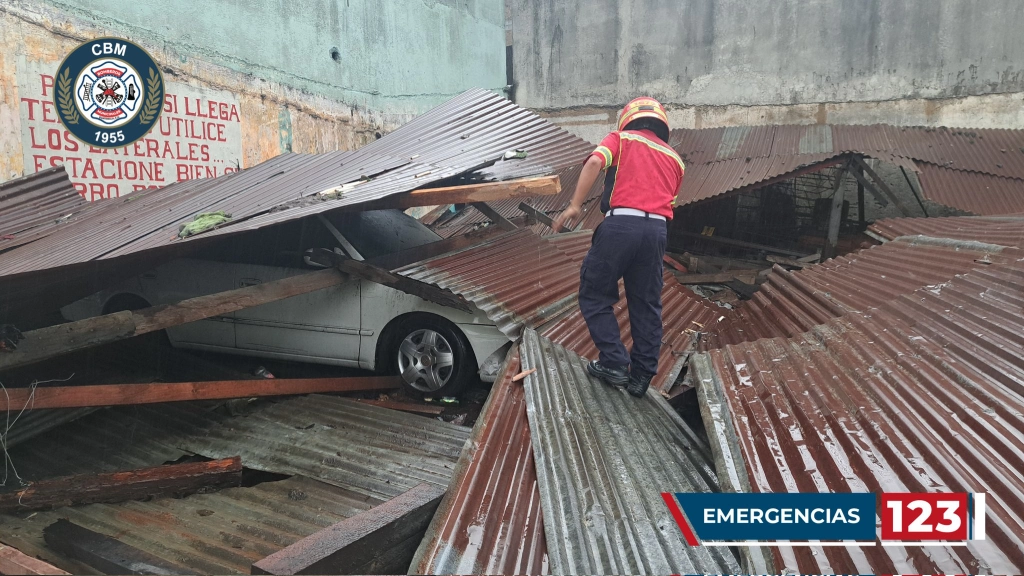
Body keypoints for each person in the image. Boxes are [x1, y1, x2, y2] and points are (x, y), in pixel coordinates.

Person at [552, 96, 684, 398]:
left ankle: (613, 362)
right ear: (661, 124)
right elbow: (670, 202)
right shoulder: (675, 159)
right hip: (657, 231)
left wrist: (574, 206)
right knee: (647, 303)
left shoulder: (620, 139)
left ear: (629, 120)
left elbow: (596, 161)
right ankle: (641, 377)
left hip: (620, 225)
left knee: (595, 293)